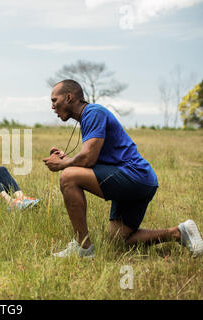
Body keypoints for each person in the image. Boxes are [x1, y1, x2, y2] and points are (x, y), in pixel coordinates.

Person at [43, 79, 203, 258]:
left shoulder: (93, 113)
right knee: (119, 241)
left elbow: (88, 158)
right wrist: (67, 159)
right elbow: (94, 157)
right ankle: (178, 233)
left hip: (134, 176)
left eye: (54, 100)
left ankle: (83, 247)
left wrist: (63, 164)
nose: (52, 107)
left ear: (69, 97)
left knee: (68, 176)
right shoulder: (89, 116)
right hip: (142, 180)